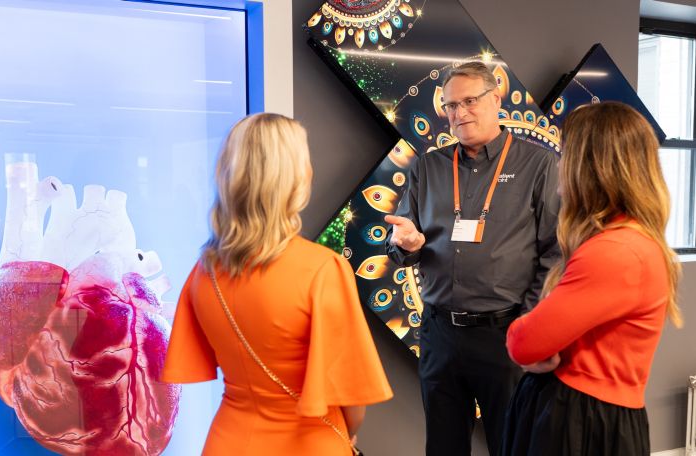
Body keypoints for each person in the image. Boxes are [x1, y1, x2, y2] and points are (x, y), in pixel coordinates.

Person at [160, 113, 393, 455]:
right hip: (309, 442)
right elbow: (352, 400)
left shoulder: (203, 271)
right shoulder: (322, 269)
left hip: (228, 440)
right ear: (294, 178)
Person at [384, 61, 560, 455]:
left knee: (511, 444)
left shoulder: (538, 164)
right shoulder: (428, 168)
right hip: (439, 333)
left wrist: (527, 321)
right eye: (449, 106)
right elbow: (399, 245)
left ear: (496, 97)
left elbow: (556, 250)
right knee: (443, 447)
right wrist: (405, 247)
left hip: (505, 333)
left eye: (469, 101)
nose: (458, 114)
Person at [501, 101, 683, 456]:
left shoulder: (615, 251)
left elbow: (524, 343)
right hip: (588, 415)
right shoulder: (630, 241)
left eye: (565, 154)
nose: (559, 167)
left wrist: (524, 335)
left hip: (579, 421)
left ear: (592, 167)